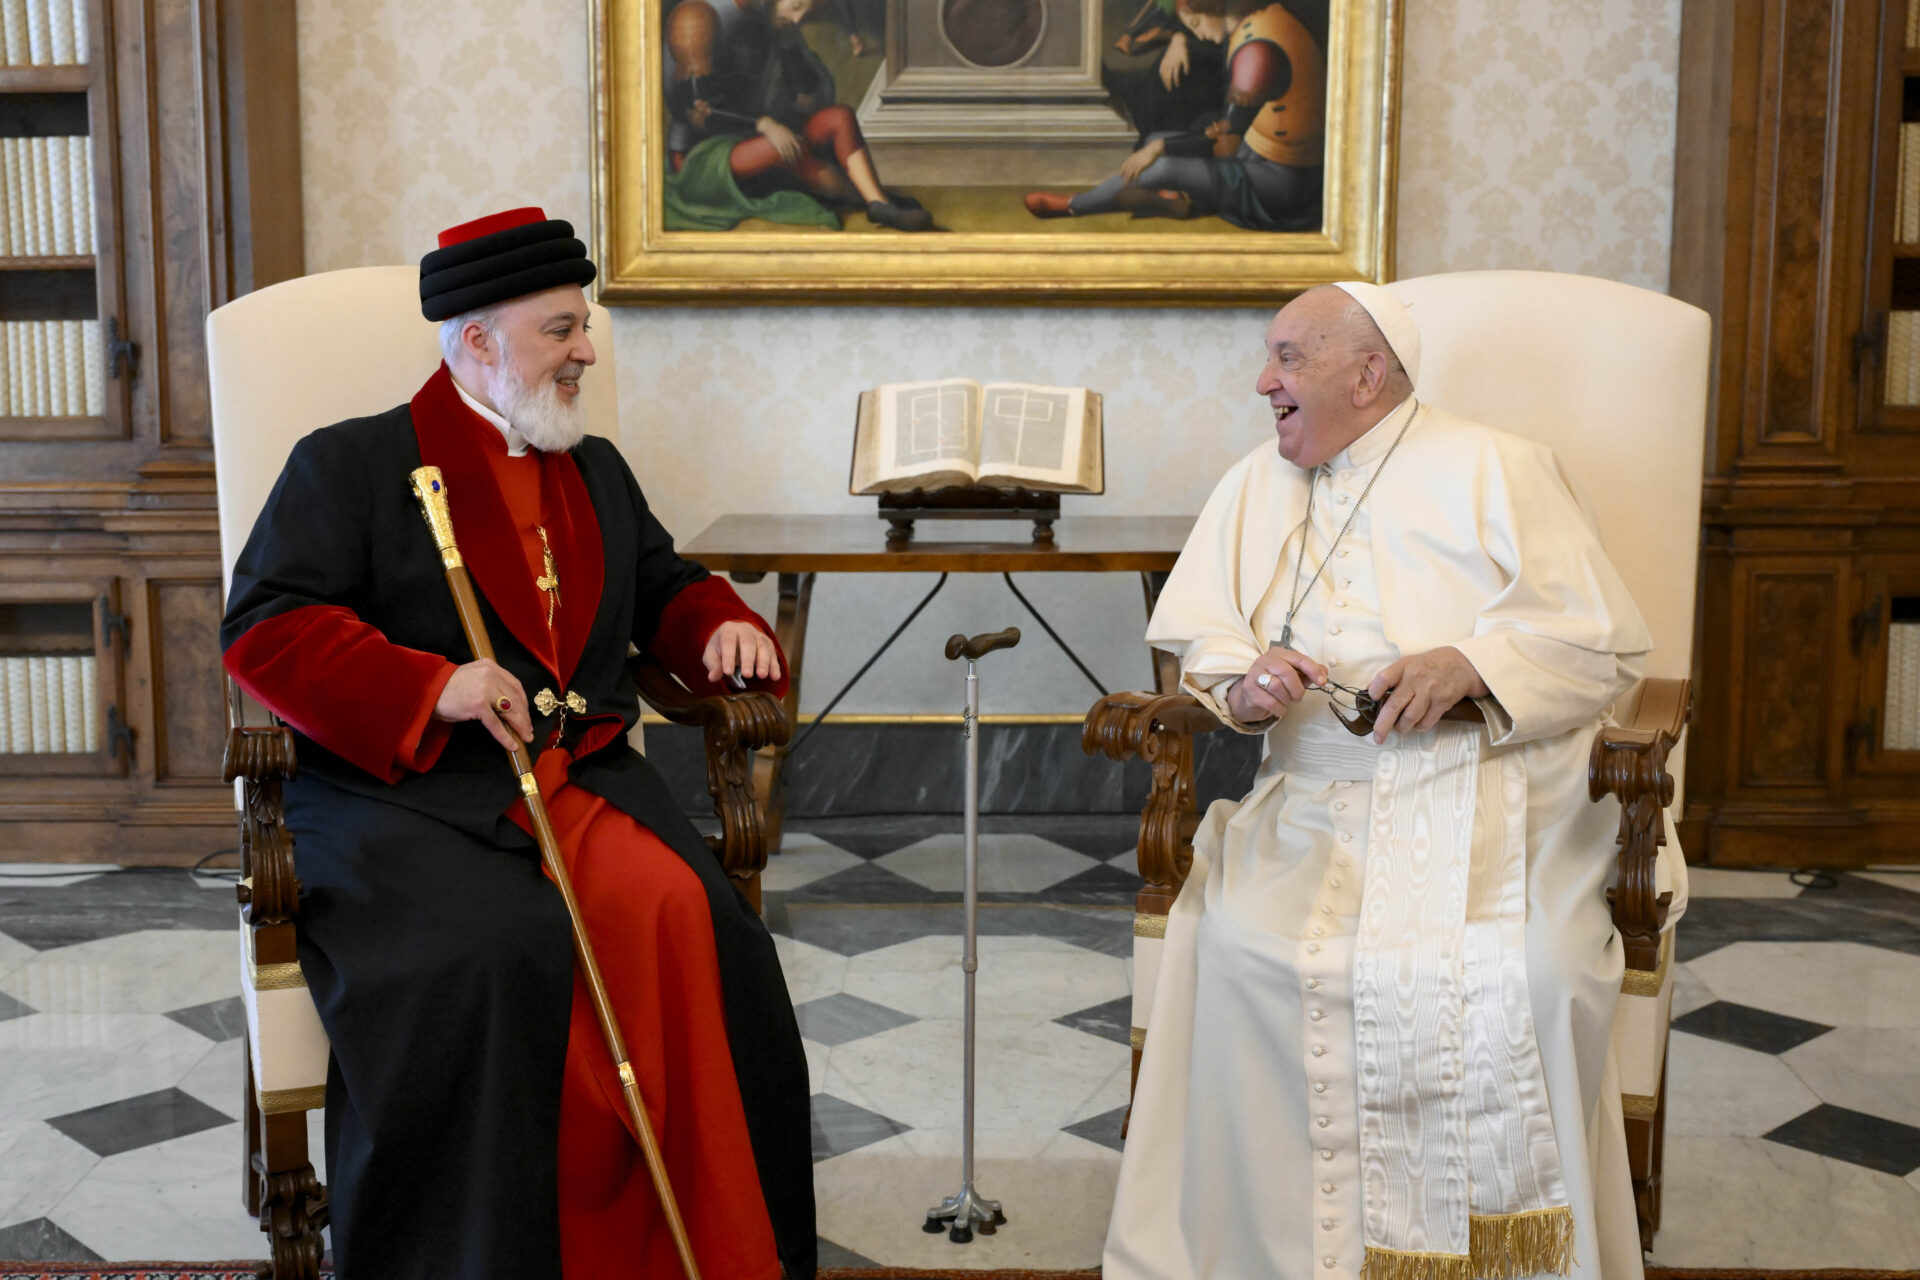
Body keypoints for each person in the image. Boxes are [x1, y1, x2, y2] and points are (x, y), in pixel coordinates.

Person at [221, 207, 814, 1280]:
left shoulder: (591, 467)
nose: (585, 350)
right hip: (406, 796)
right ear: (478, 342)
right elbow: (264, 628)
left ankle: (693, 1250)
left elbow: (666, 584)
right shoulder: (350, 462)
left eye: (581, 326)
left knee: (699, 921)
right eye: (561, 329)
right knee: (501, 952)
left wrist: (716, 621)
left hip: (577, 779)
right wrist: (429, 684)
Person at [1104, 282, 1683, 1280]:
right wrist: (1245, 683)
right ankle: (1264, 1253)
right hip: (1314, 803)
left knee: (1530, 966)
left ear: (1367, 372)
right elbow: (1203, 637)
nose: (1262, 380)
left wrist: (1471, 663)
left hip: (1496, 792)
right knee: (1243, 943)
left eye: (1288, 357)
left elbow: (1604, 648)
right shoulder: (1256, 482)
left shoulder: (1501, 468)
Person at [1025, 0, 1323, 229]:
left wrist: (1160, 149)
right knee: (1158, 138)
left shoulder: (1256, 53)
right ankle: (1179, 198)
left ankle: (1074, 205)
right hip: (1262, 152)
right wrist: (1159, 143)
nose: (1195, 32)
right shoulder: (1261, 17)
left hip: (1286, 186)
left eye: (1193, 22)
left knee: (1164, 163)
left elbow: (1224, 141)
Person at [663, 0, 929, 232]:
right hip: (699, 157)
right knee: (789, 147)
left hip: (750, 137)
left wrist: (788, 47)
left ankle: (877, 202)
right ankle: (873, 199)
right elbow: (696, 112)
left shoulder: (776, 21)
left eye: (807, 13)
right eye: (798, 5)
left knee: (839, 117)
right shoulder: (697, 17)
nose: (799, 19)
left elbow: (807, 102)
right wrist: (764, 124)